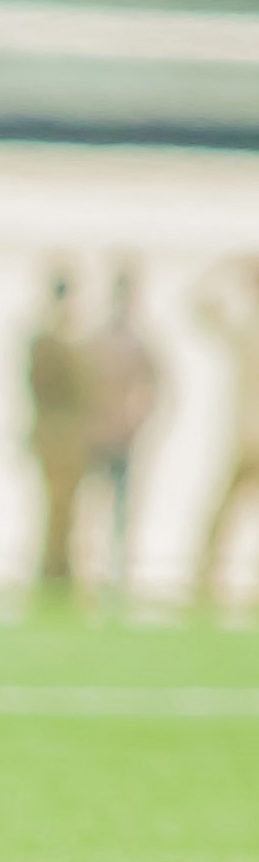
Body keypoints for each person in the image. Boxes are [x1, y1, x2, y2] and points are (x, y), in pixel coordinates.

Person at [81, 261, 160, 597]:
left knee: (119, 514)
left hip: (121, 439)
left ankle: (116, 577)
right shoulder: (96, 340)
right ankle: (88, 576)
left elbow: (155, 389)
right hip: (95, 438)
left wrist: (136, 422)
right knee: (90, 510)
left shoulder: (136, 344)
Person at [189, 257, 259, 610]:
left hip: (246, 440)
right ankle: (204, 582)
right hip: (245, 440)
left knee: (219, 518)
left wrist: (226, 266)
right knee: (219, 518)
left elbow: (199, 307)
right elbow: (199, 309)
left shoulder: (247, 332)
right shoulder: (247, 331)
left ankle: (204, 582)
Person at [27, 267, 92, 594]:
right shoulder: (50, 341)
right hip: (58, 436)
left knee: (64, 508)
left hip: (67, 436)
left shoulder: (58, 339)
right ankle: (54, 573)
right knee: (57, 506)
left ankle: (60, 571)